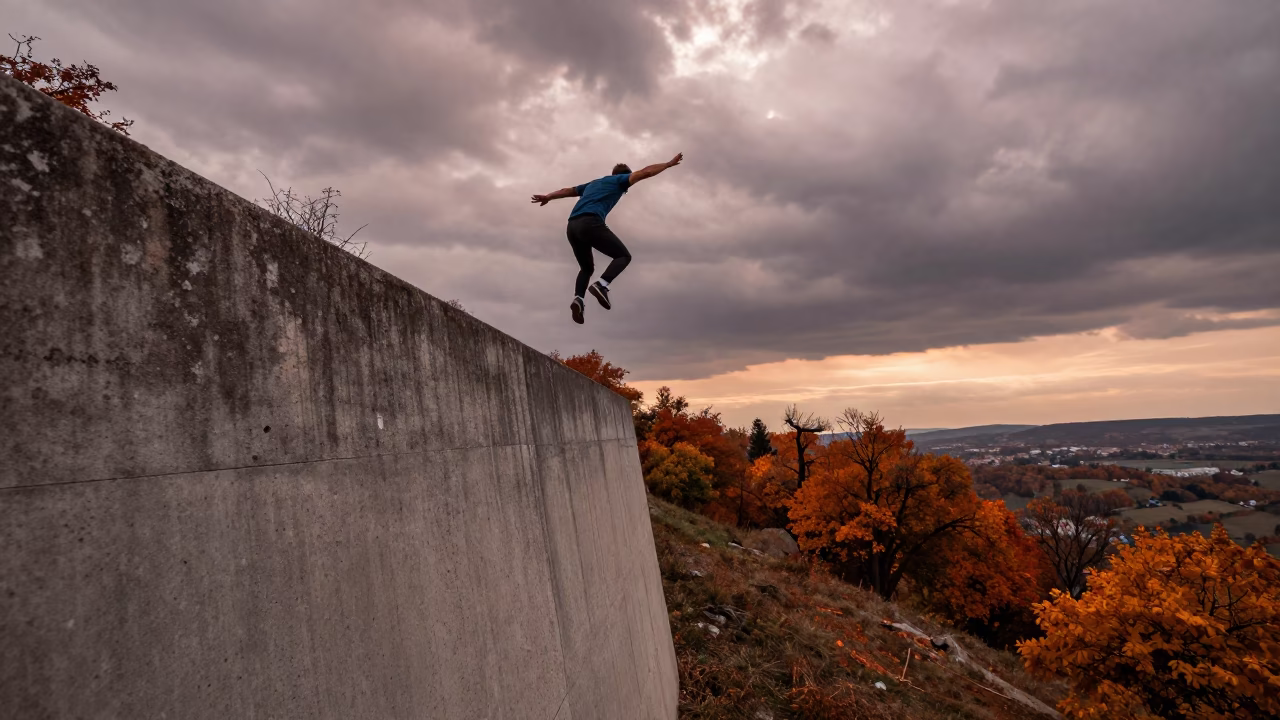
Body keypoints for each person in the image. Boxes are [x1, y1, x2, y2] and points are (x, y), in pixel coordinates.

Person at [531, 152, 683, 324]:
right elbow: (645, 172)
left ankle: (578, 300)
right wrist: (668, 164)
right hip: (590, 222)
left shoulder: (594, 183)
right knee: (623, 256)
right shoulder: (620, 180)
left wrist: (548, 196)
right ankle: (601, 284)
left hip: (572, 226)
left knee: (586, 268)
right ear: (625, 176)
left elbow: (568, 190)